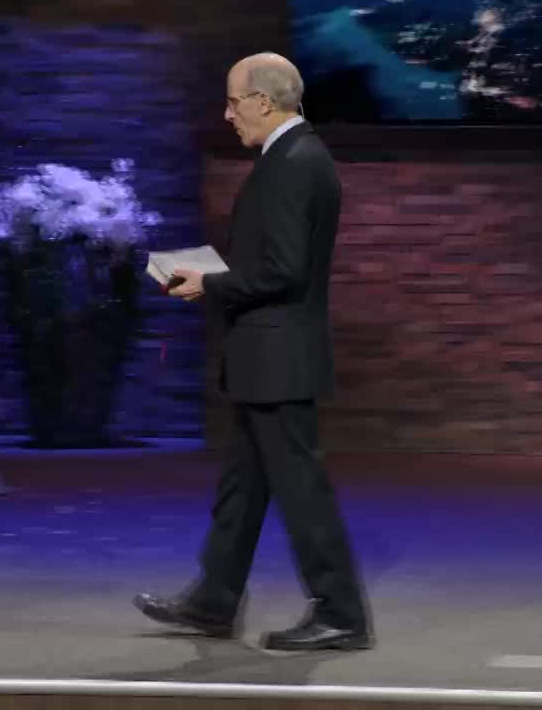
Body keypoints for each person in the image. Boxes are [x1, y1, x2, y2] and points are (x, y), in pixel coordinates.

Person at [133, 52, 371, 651]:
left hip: (279, 357)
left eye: (234, 102)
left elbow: (283, 271)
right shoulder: (289, 157)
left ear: (264, 101)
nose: (228, 113)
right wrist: (215, 278)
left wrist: (210, 282)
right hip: (265, 358)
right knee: (241, 489)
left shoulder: (295, 162)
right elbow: (274, 263)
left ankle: (341, 613)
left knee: (301, 491)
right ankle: (215, 600)